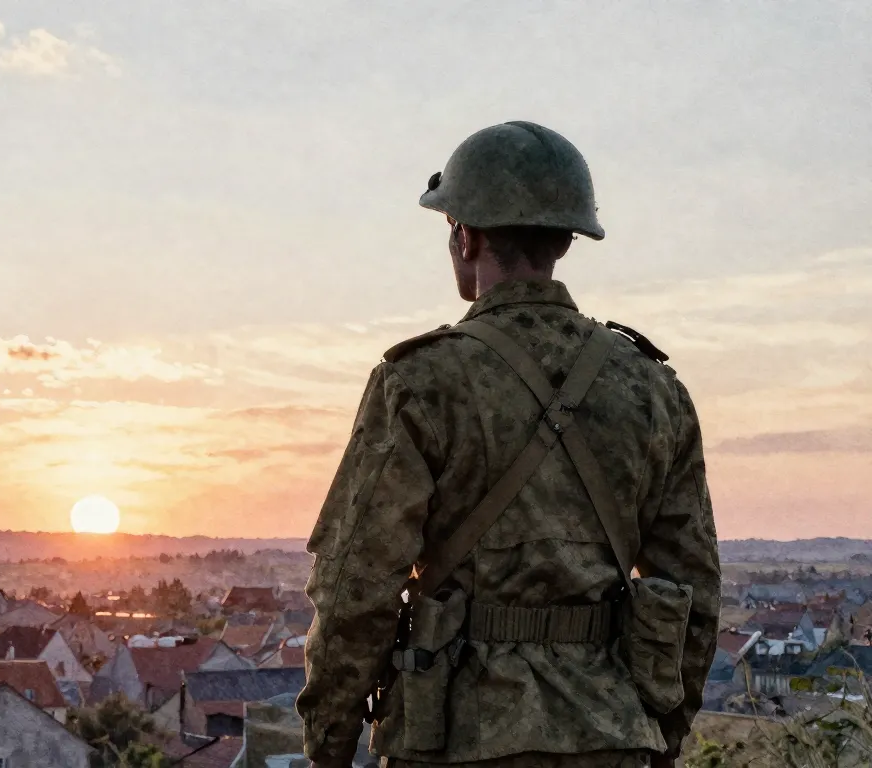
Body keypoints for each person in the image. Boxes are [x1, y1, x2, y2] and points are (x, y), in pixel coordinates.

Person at [296, 121, 721, 768]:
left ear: (465, 236)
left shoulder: (420, 380)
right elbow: (694, 588)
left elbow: (356, 582)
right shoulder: (652, 389)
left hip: (452, 738)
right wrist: (661, 734)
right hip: (609, 734)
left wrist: (328, 743)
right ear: (566, 240)